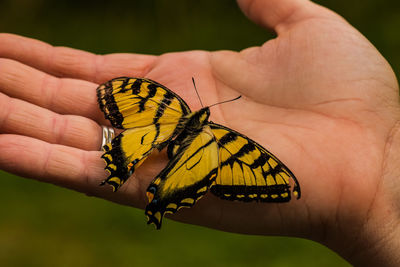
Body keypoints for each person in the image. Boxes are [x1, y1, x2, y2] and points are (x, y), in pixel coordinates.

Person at [0, 0, 398, 265]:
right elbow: (120, 93)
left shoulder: (172, 108)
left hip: (171, 142)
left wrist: (379, 191)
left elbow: (265, 175)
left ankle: (142, 176)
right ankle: (140, 173)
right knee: (163, 156)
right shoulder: (225, 140)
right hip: (195, 153)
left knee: (151, 148)